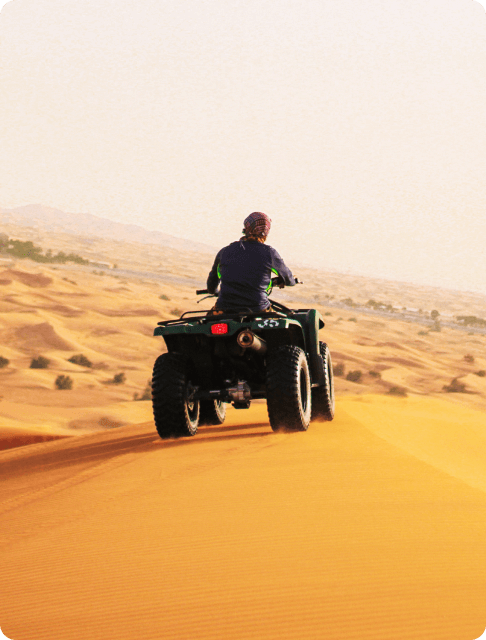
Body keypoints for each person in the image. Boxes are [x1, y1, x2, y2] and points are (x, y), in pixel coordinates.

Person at [206, 212, 295, 313]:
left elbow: (211, 286)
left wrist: (215, 291)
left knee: (205, 324)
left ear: (246, 228)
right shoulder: (270, 253)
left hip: (224, 309)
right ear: (266, 232)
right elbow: (289, 279)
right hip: (258, 309)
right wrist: (283, 281)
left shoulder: (225, 252)